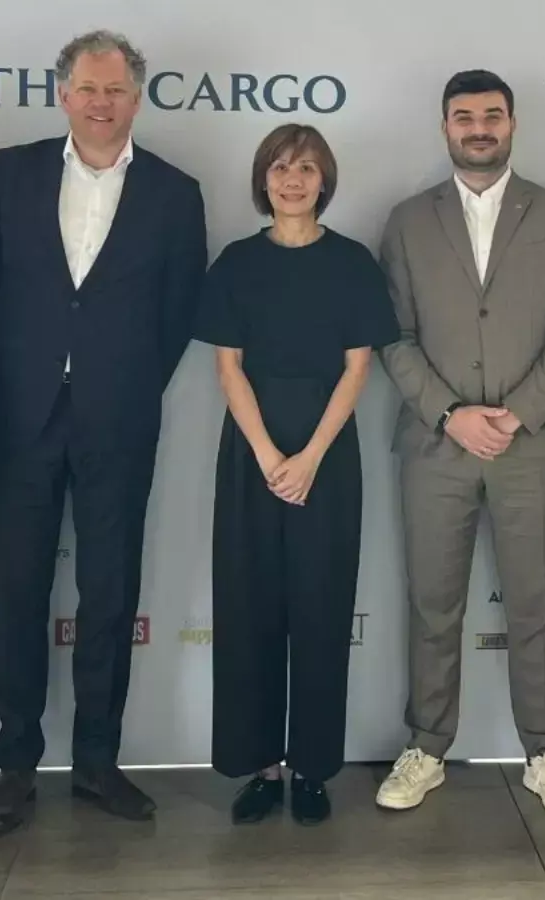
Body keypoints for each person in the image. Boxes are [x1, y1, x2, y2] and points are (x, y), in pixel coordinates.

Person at [0, 29, 207, 834]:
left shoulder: (175, 192)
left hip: (118, 420)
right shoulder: (9, 173)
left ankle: (98, 763)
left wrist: (123, 383)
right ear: (63, 94)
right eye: (89, 88)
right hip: (20, 417)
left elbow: (179, 311)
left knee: (109, 594)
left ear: (138, 98)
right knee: (17, 593)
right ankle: (16, 767)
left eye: (117, 89)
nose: (102, 102)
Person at [374, 69, 545, 817]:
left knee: (534, 605)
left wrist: (515, 413)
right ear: (445, 127)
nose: (479, 128)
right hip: (436, 448)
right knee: (433, 604)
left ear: (512, 124)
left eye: (492, 116)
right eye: (464, 117)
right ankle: (426, 746)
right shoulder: (408, 219)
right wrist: (451, 415)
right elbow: (394, 336)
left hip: (530, 446)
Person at [199, 124, 398, 826]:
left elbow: (358, 368)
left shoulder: (351, 262)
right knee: (249, 610)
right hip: (250, 456)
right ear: (264, 179)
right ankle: (260, 767)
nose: (292, 180)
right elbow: (228, 368)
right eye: (280, 167)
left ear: (324, 180)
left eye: (307, 168)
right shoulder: (236, 263)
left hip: (327, 458)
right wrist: (267, 456)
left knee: (320, 610)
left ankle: (312, 768)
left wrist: (309, 458)